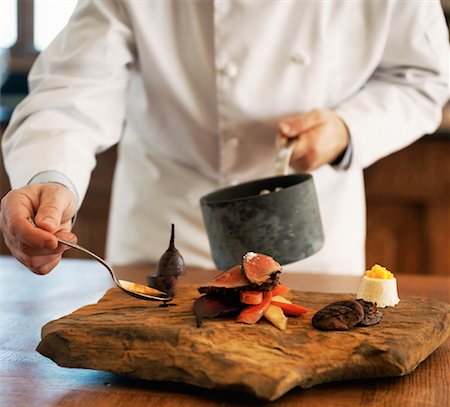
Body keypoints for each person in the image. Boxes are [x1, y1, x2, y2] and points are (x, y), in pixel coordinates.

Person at [1, 1, 449, 276]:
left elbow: (424, 77)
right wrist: (50, 176)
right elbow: (73, 89)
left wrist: (349, 128)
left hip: (309, 235)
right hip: (166, 231)